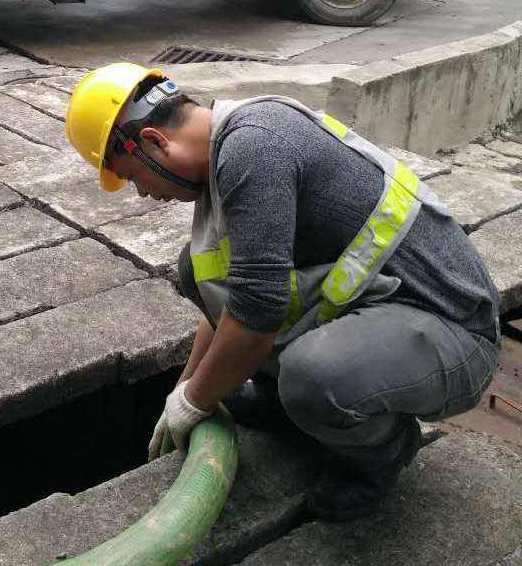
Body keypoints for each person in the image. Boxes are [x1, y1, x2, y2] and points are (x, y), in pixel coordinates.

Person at [65, 62, 500, 521]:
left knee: (313, 378)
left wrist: (195, 400)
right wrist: (186, 388)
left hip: (453, 331)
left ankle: (384, 453)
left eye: (133, 177)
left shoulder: (254, 149)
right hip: (380, 301)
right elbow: (233, 297)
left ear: (155, 142)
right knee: (197, 267)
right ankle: (281, 408)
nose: (142, 194)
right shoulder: (231, 143)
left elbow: (255, 318)